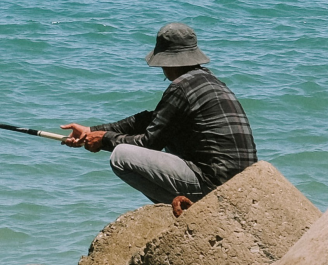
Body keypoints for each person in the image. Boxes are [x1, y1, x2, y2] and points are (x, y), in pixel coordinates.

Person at [61, 23, 257, 206]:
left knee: (121, 156)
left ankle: (190, 209)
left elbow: (149, 143)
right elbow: (151, 120)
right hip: (242, 183)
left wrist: (105, 140)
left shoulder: (181, 87)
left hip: (214, 184)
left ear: (169, 62)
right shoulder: (209, 81)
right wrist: (92, 131)